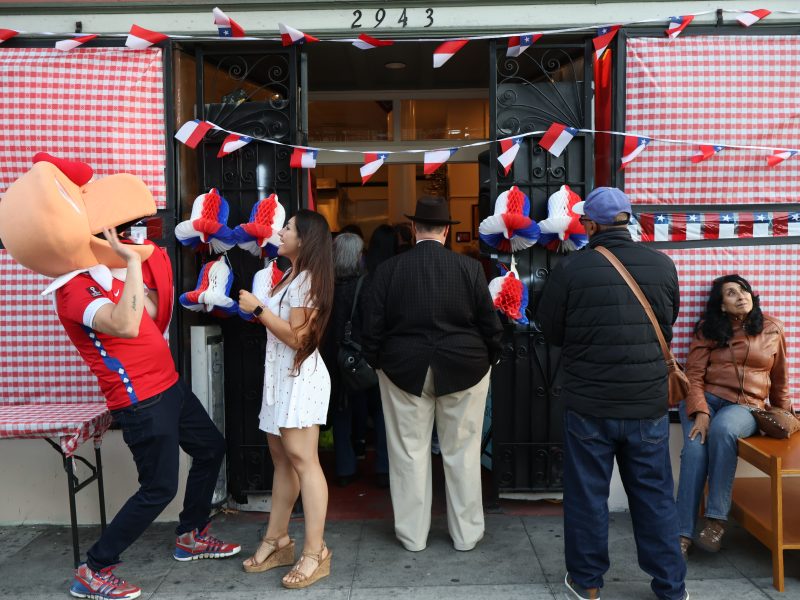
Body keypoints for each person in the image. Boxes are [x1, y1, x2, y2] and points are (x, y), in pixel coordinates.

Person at [0, 155, 241, 600]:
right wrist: (131, 263)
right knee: (159, 487)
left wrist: (133, 263)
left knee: (211, 448)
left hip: (168, 385)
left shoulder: (104, 274)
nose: (132, 233)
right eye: (123, 228)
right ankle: (94, 568)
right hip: (140, 400)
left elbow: (148, 313)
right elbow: (125, 326)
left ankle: (190, 535)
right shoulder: (73, 290)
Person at [535, 187, 687, 600]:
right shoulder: (662, 265)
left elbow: (550, 331)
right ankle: (671, 587)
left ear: (593, 224)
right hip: (647, 404)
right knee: (655, 498)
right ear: (628, 219)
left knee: (587, 496)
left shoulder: (572, 270)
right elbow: (666, 322)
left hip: (589, 404)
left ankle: (587, 585)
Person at [361, 196, 503, 552]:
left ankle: (413, 537)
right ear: (446, 230)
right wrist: (492, 357)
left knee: (408, 453)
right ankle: (466, 536)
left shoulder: (389, 270)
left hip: (402, 368)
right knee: (463, 453)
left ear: (413, 228)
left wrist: (379, 361)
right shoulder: (469, 269)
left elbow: (371, 327)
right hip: (465, 367)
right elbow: (490, 324)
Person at [238, 209, 335, 589]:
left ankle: (315, 551)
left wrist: (258, 309)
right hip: (281, 378)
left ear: (304, 240)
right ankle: (277, 539)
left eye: (289, 228)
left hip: (300, 380)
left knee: (304, 461)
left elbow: (299, 339)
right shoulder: (293, 275)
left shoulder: (307, 280)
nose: (281, 231)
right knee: (282, 459)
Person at [676, 275, 790, 559]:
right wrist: (700, 411)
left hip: (746, 406)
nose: (741, 295)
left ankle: (715, 520)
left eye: (744, 290)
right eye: (731, 293)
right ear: (722, 306)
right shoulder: (709, 329)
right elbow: (693, 375)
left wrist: (786, 415)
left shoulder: (772, 328)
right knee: (693, 452)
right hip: (707, 400)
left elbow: (780, 381)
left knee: (724, 428)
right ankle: (681, 534)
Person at [319, 232, 386, 486]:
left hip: (335, 360)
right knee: (379, 412)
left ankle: (344, 469)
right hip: (366, 359)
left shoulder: (325, 287)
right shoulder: (369, 285)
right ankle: (383, 468)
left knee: (341, 413)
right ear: (358, 257)